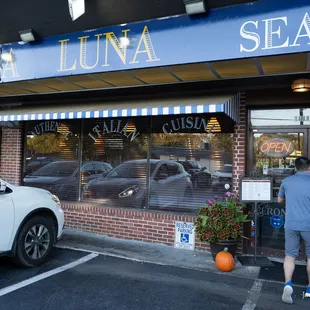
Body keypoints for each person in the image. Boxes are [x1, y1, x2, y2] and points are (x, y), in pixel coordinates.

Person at [278, 156, 310, 304]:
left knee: (290, 256)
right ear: (309, 168)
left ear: (296, 168)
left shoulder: (287, 181)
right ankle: (309, 289)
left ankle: (288, 284)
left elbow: (280, 200)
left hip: (291, 224)